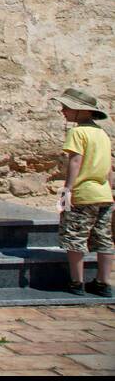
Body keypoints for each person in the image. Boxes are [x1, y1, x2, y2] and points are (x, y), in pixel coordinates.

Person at [53, 87, 113, 297]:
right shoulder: (102, 134)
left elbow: (75, 161)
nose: (63, 111)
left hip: (83, 194)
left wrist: (67, 190)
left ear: (82, 111)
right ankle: (104, 282)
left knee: (75, 237)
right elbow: (109, 168)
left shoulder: (77, 132)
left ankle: (77, 282)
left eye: (67, 107)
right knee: (103, 238)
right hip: (104, 195)